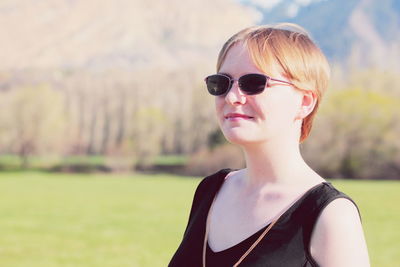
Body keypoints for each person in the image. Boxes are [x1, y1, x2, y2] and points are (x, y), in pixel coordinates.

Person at [169, 23, 370, 267]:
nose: (232, 97)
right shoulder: (210, 191)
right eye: (221, 83)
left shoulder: (330, 215)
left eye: (253, 83)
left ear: (305, 102)